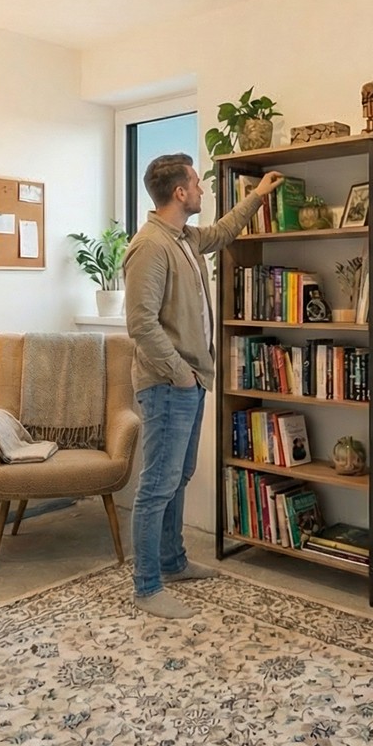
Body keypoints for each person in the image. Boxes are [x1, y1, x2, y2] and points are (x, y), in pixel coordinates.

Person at [123, 153, 282, 618]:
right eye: (196, 183)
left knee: (178, 477)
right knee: (158, 485)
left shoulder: (185, 237)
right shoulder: (150, 246)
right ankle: (147, 586)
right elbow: (141, 324)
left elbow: (223, 232)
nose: (202, 189)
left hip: (189, 382)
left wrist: (257, 195)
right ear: (179, 192)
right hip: (168, 384)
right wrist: (179, 372)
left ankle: (172, 562)